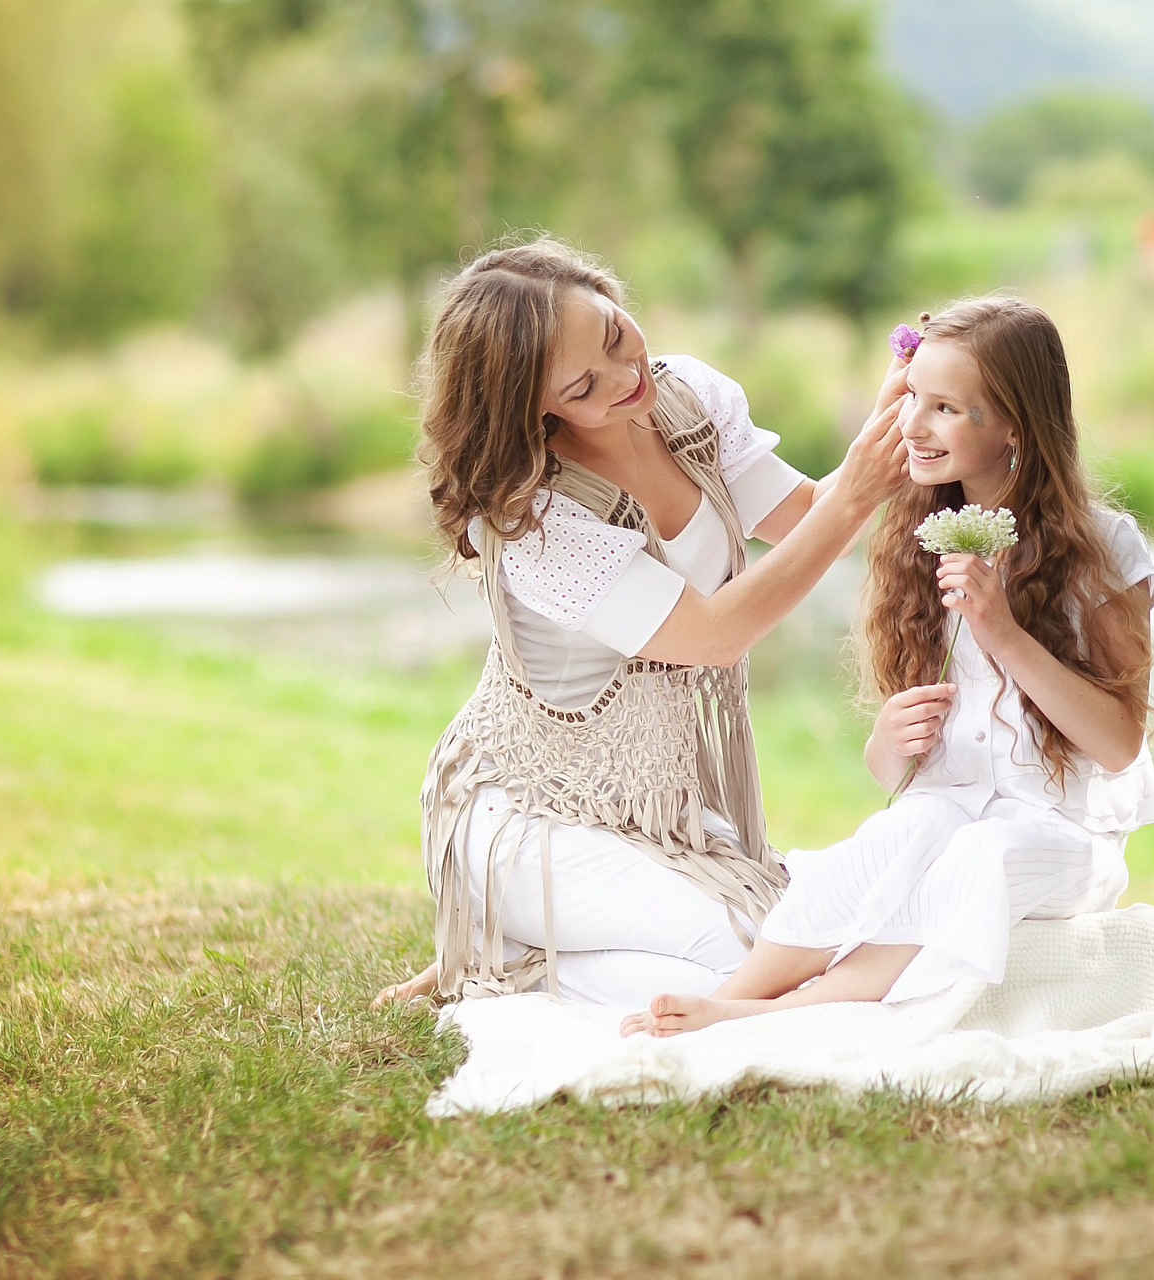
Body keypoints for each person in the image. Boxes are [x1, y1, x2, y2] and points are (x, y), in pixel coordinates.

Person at [375, 239, 908, 1009]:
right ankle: (513, 960)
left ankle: (529, 949)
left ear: (611, 293)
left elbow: (805, 520)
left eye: (616, 334)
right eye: (583, 384)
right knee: (746, 959)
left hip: (656, 811)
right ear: (534, 406)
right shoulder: (534, 515)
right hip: (525, 814)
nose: (625, 377)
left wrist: (899, 409)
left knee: (808, 935)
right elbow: (716, 635)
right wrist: (856, 493)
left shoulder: (689, 398)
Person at [623, 295, 1154, 1035]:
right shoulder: (919, 541)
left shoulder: (1103, 548)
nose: (912, 425)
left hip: (1062, 840)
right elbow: (897, 778)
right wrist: (888, 740)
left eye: (946, 408)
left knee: (981, 848)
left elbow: (1121, 744)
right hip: (954, 812)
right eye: (912, 397)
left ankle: (761, 1013)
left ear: (1015, 425)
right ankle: (739, 989)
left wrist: (1005, 635)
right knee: (900, 831)